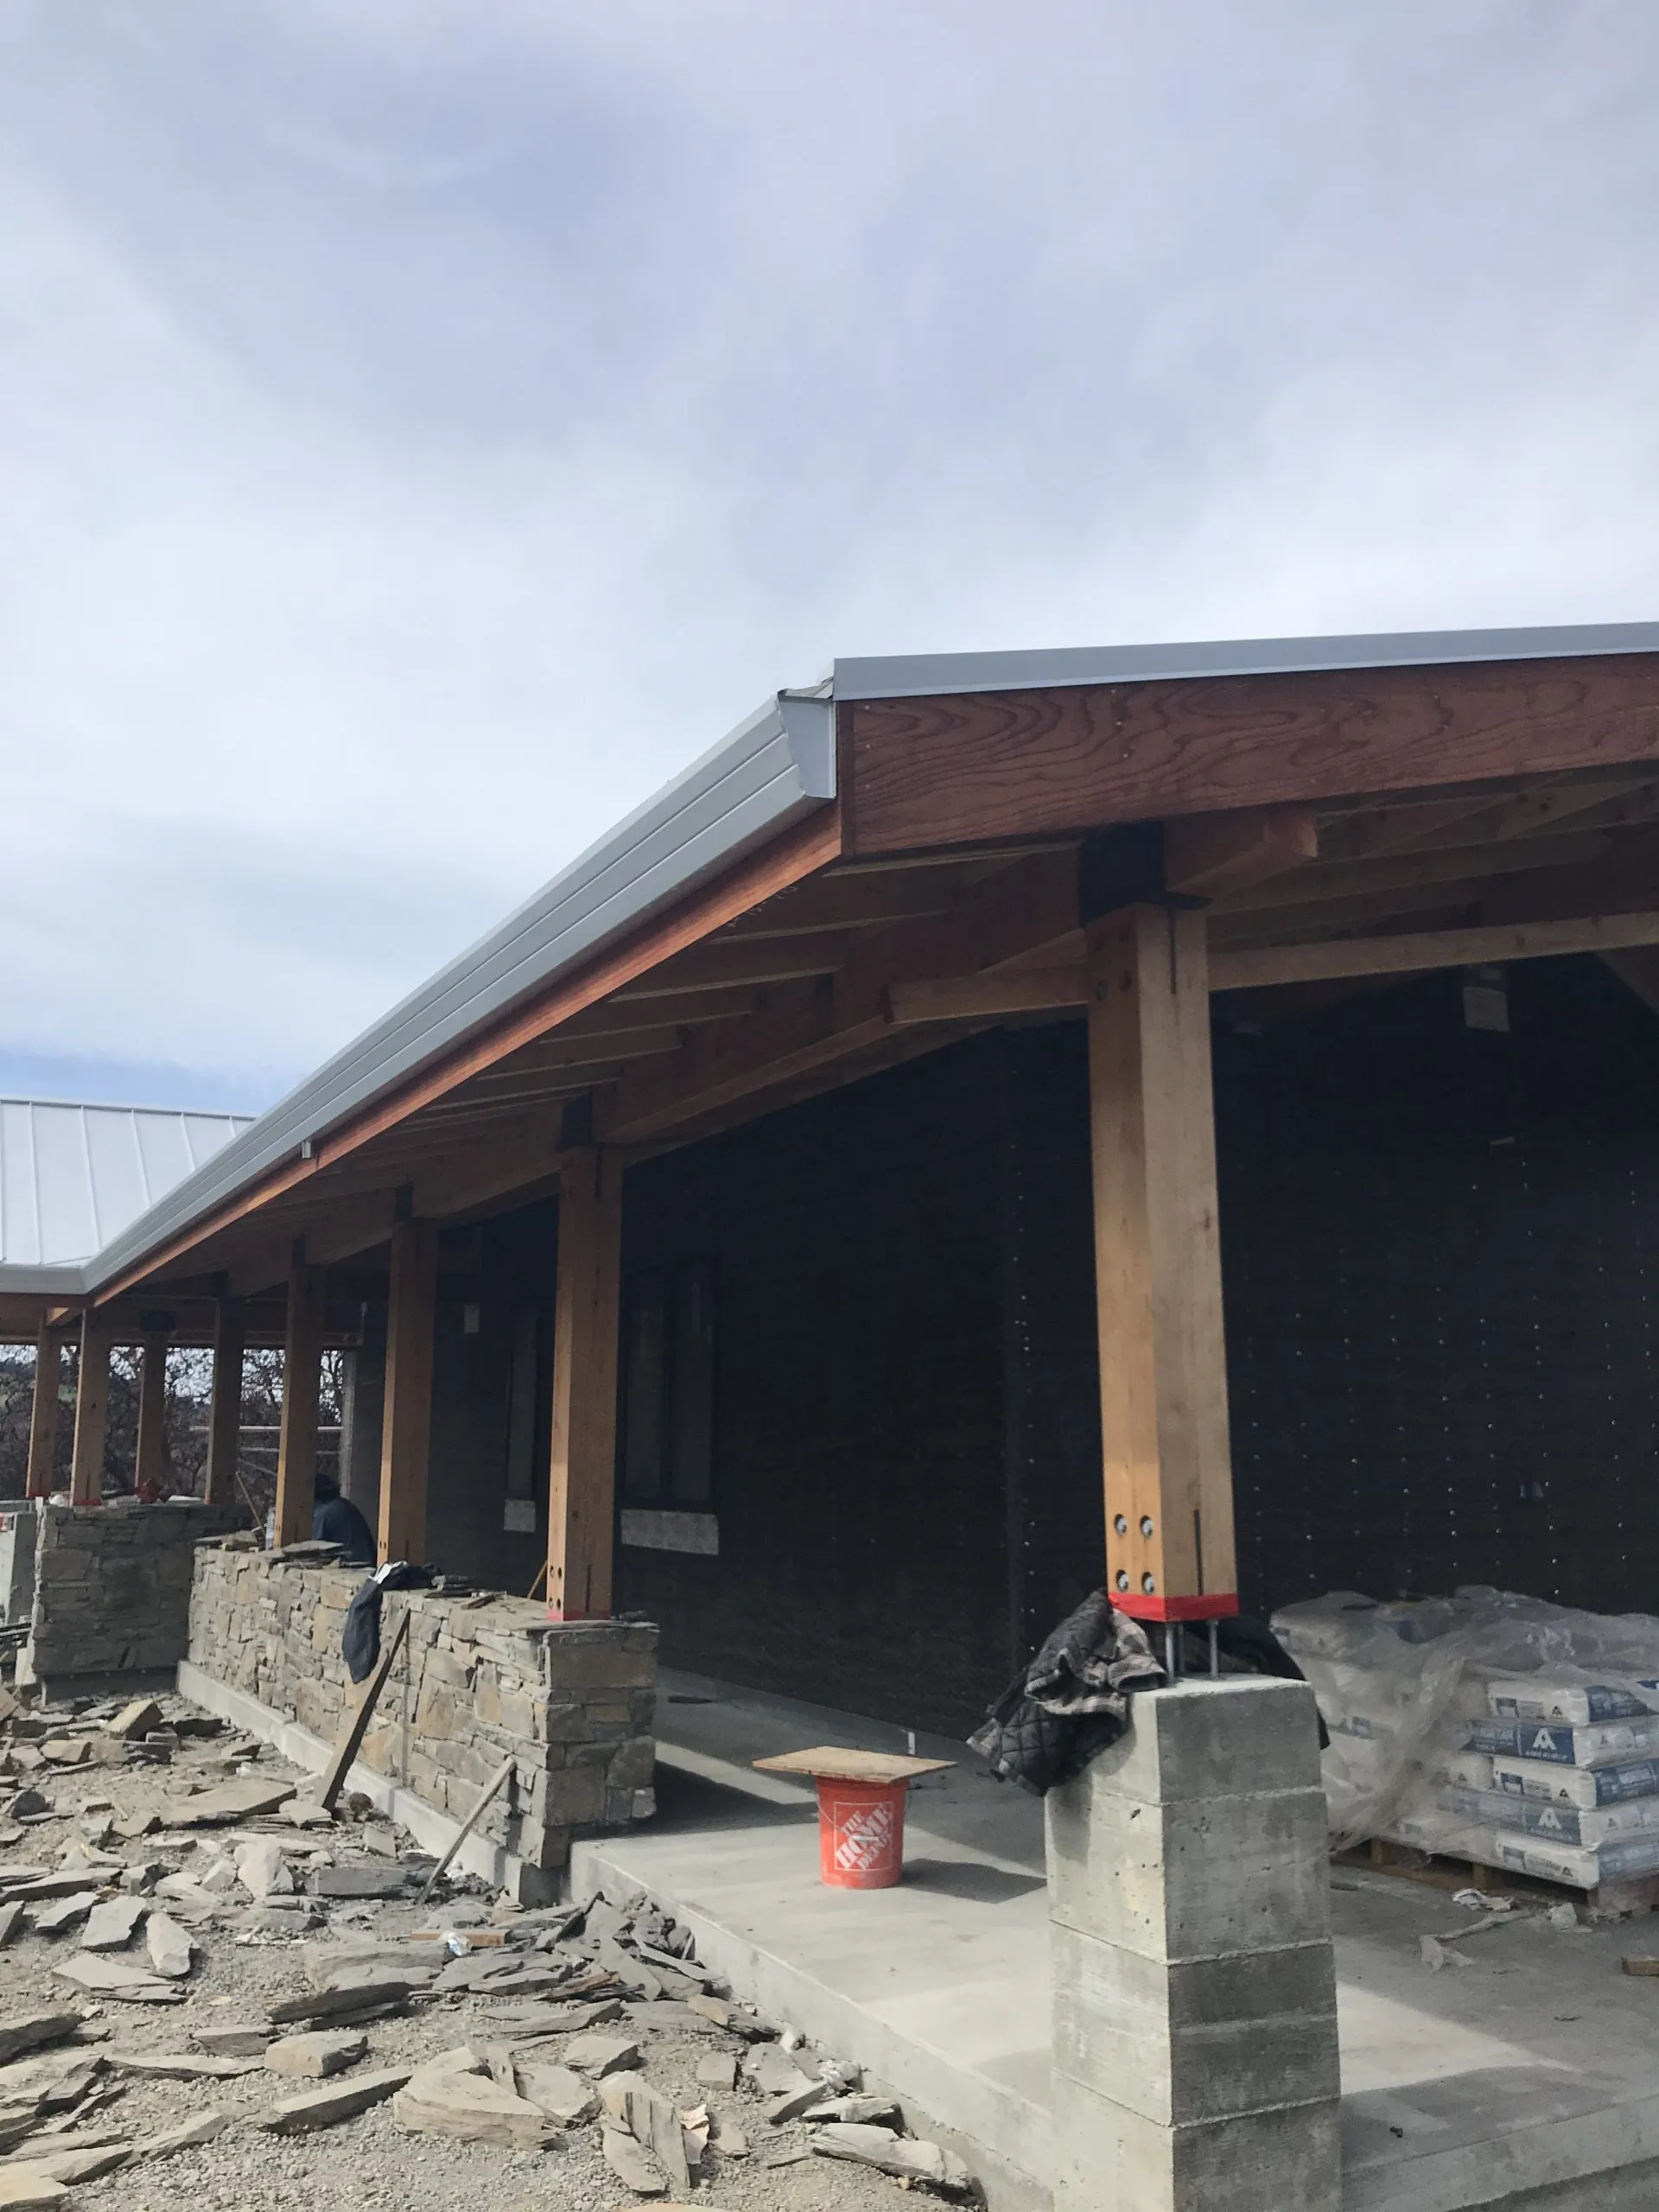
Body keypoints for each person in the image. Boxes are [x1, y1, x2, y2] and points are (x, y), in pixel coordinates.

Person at [310, 1469, 375, 1565]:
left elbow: (314, 1550)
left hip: (350, 1566)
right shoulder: (344, 1504)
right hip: (368, 1563)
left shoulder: (323, 1513)